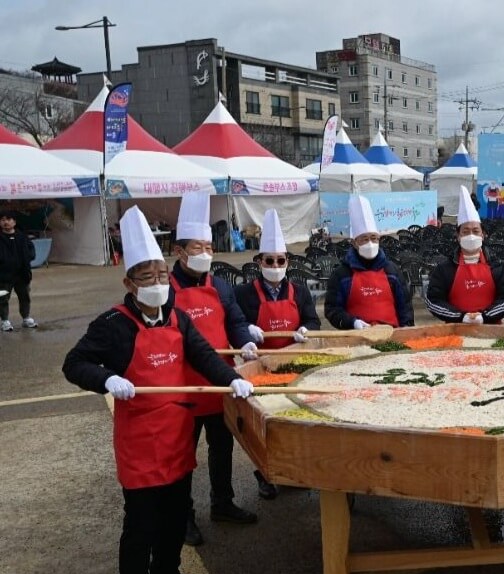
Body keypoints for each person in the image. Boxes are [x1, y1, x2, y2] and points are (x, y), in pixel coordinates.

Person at [62, 206, 254, 574]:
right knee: (141, 524)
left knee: (172, 518)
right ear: (129, 283)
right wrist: (106, 379)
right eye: (146, 277)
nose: (156, 283)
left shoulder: (178, 318)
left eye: (161, 275)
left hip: (176, 437)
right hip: (140, 445)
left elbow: (203, 356)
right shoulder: (112, 325)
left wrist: (231, 377)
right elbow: (74, 363)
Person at [168, 192, 259, 547]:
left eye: (208, 246)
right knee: (182, 458)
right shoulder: (166, 291)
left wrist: (245, 341)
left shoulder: (220, 286)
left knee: (222, 450)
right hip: (182, 389)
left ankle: (223, 503)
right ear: (179, 251)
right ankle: (184, 516)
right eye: (197, 247)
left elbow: (234, 321)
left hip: (221, 385)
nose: (205, 253)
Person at [235, 208, 322, 499]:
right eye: (269, 260)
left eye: (280, 260)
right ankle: (265, 473)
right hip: (261, 367)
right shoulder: (244, 294)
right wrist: (247, 330)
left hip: (295, 363)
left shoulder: (299, 291)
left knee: (295, 416)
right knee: (266, 423)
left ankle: (294, 472)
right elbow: (232, 324)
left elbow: (312, 320)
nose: (275, 265)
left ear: (287, 262)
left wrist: (305, 331)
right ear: (259, 262)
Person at [424, 186, 504, 325]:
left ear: (483, 235)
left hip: (491, 329)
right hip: (455, 330)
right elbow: (433, 301)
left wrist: (484, 317)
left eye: (475, 231)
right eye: (465, 231)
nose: (471, 235)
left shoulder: (497, 266)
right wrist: (461, 317)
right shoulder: (445, 269)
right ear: (458, 236)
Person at [325, 194, 414, 330]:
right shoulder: (341, 274)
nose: (370, 243)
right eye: (364, 239)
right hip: (357, 338)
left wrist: (407, 327)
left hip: (393, 335)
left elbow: (405, 306)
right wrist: (352, 322)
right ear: (354, 243)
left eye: (374, 238)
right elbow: (332, 309)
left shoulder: (392, 271)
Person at [0, 211, 37, 331]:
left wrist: (27, 258)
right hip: (4, 275)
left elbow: (31, 250)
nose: (6, 222)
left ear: (14, 222)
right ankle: (4, 320)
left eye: (9, 219)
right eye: (3, 219)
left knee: (24, 296)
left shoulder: (22, 237)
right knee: (3, 298)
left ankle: (26, 318)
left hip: (22, 274)